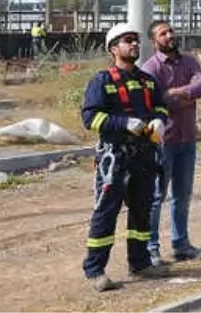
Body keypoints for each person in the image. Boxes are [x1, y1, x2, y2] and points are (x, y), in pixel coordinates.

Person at [81, 23, 171, 291]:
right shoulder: (102, 81)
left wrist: (159, 121)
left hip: (144, 157)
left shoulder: (147, 80)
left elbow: (160, 107)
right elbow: (90, 117)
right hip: (115, 158)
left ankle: (140, 262)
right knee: (106, 213)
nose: (134, 44)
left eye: (135, 40)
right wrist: (122, 123)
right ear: (113, 49)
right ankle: (95, 270)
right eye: (127, 40)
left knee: (141, 213)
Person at [141, 20, 201, 264]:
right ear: (154, 41)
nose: (170, 35)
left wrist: (176, 93)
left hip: (187, 138)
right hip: (163, 141)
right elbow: (154, 100)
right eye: (163, 33)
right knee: (156, 196)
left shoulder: (189, 62)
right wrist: (177, 96)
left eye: (170, 31)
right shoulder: (151, 68)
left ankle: (181, 244)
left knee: (182, 195)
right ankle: (150, 248)